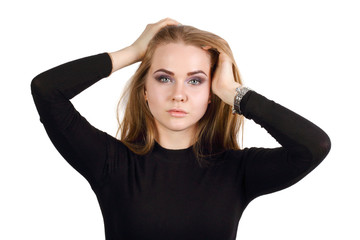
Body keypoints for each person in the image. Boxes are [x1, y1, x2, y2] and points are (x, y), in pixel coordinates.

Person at [31, 18, 331, 240]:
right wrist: (134, 51)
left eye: (195, 80)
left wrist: (235, 93)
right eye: (164, 78)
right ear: (144, 90)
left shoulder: (237, 171)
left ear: (212, 92)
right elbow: (46, 90)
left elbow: (313, 147)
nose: (179, 94)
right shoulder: (111, 163)